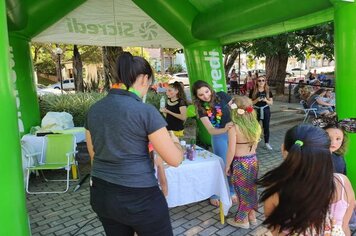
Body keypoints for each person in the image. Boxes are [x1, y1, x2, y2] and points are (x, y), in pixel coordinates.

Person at [85, 52, 183, 236]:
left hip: (102, 194)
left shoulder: (94, 110)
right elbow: (175, 159)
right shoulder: (145, 111)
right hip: (140, 198)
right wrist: (176, 143)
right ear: (144, 78)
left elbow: (93, 154)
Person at [257, 124, 355, 236]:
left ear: (283, 149)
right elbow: (344, 226)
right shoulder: (343, 183)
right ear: (328, 151)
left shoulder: (276, 190)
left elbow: (275, 230)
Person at [192, 80, 234, 206]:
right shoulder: (201, 109)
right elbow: (211, 130)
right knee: (222, 164)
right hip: (219, 136)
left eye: (206, 91)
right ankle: (216, 191)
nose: (205, 95)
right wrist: (224, 129)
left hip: (234, 133)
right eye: (201, 94)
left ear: (210, 89)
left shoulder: (222, 95)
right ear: (197, 96)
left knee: (234, 162)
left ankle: (232, 190)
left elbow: (235, 109)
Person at [225, 96, 261, 229]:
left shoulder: (234, 127)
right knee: (251, 189)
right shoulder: (255, 125)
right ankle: (252, 216)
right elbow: (255, 146)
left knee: (241, 192)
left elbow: (231, 150)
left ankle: (242, 220)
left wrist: (227, 165)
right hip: (253, 161)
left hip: (240, 163)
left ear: (235, 110)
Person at [249, 76, 274, 150]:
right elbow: (250, 103)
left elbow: (271, 103)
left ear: (265, 81)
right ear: (257, 82)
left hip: (265, 110)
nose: (261, 82)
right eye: (259, 80)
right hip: (256, 110)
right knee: (255, 127)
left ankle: (267, 143)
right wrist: (256, 100)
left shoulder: (268, 91)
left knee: (266, 127)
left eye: (263, 80)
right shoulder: (253, 90)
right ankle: (254, 142)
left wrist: (266, 100)